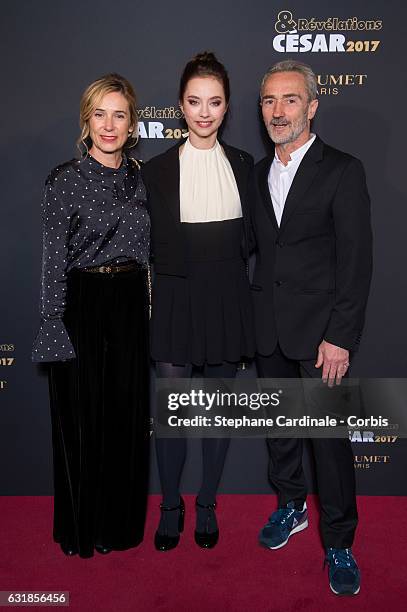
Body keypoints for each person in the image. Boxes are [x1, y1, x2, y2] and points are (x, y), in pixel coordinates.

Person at [251, 60, 372, 595]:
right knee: (281, 435)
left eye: (290, 100)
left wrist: (341, 335)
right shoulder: (256, 173)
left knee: (329, 441)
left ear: (312, 105)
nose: (278, 112)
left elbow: (356, 261)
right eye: (269, 102)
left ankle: (340, 541)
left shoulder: (343, 169)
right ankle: (291, 505)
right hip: (269, 331)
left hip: (323, 336)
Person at [32, 74, 151, 558]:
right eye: (100, 113)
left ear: (132, 123)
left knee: (125, 419)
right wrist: (51, 319)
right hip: (80, 304)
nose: (109, 124)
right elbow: (52, 257)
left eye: (119, 114)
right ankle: (83, 527)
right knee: (82, 421)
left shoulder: (144, 177)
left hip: (128, 304)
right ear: (86, 121)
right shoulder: (64, 178)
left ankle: (118, 527)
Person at [142, 52, 255, 551]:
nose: (204, 112)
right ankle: (170, 504)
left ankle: (207, 501)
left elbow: (255, 241)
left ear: (227, 107)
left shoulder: (245, 166)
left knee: (217, 410)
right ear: (181, 107)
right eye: (194, 102)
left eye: (214, 102)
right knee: (172, 412)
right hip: (174, 296)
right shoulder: (155, 170)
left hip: (227, 298)